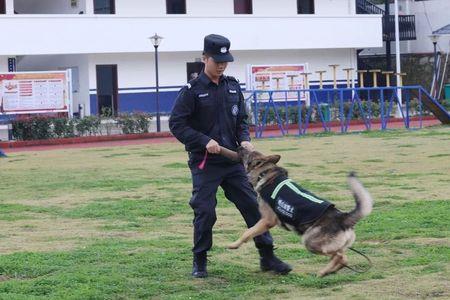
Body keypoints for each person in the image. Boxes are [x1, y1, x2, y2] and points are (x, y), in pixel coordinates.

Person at [169, 34, 291, 278]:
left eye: (226, 60)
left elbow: (241, 120)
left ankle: (267, 256)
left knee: (252, 206)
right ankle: (200, 261)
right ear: (205, 58)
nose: (222, 65)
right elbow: (177, 124)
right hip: (205, 163)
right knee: (205, 210)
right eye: (217, 60)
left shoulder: (233, 86)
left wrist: (244, 138)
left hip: (235, 162)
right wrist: (205, 141)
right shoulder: (191, 91)